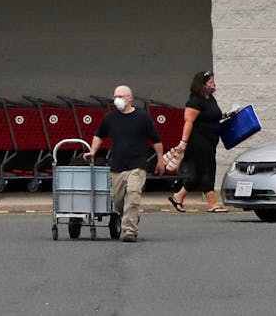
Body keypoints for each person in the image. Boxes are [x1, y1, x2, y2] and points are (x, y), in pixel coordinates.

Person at [90, 84, 165, 242]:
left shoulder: (142, 117)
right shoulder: (110, 118)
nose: (117, 100)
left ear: (130, 98)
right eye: (115, 97)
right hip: (117, 166)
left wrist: (160, 159)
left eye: (121, 96)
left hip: (137, 165)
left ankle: (130, 231)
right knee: (118, 201)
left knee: (133, 194)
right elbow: (99, 135)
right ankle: (130, 216)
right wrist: (93, 151)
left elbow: (156, 140)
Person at [170, 70, 226, 213]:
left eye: (214, 82)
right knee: (207, 169)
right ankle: (213, 204)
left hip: (211, 140)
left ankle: (178, 197)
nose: (213, 85)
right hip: (199, 141)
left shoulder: (211, 99)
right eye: (210, 83)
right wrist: (183, 142)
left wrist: (228, 115)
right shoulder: (195, 101)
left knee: (197, 173)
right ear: (201, 85)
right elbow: (188, 122)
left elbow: (213, 116)